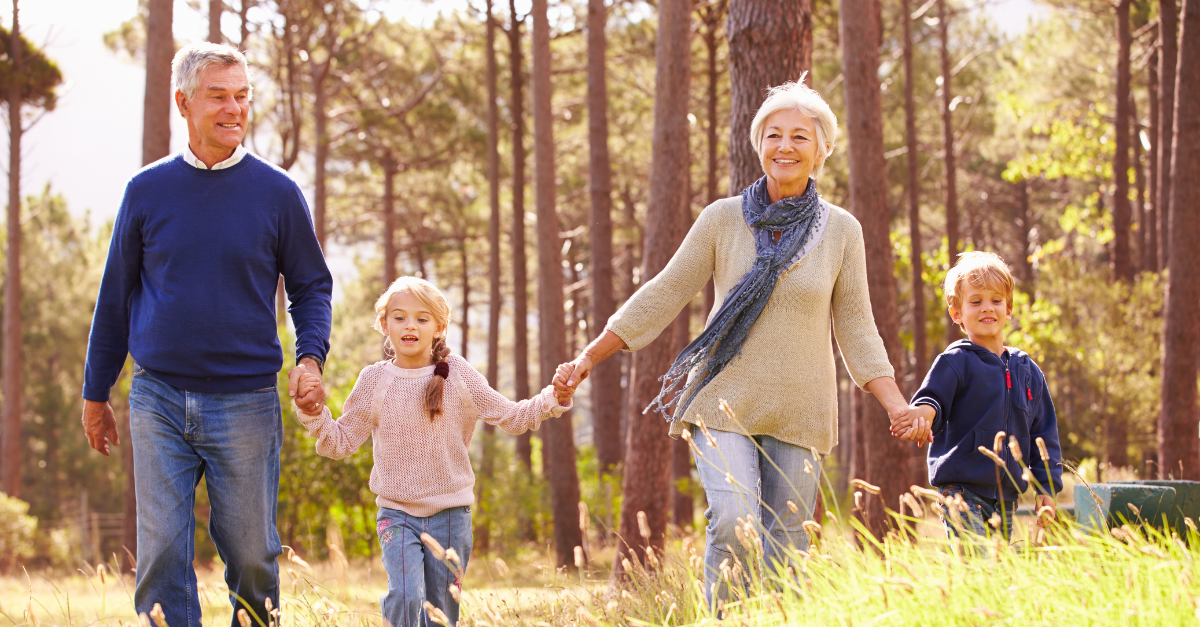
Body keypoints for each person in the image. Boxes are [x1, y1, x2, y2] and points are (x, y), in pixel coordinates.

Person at [561, 78, 919, 605]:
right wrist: (590, 356)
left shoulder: (842, 231)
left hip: (801, 409)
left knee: (788, 547)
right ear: (759, 145)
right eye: (774, 135)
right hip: (723, 400)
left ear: (822, 149)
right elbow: (664, 291)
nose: (785, 146)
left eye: (800, 136)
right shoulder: (723, 219)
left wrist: (895, 405)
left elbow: (858, 326)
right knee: (733, 520)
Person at [80, 43, 332, 627]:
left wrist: (311, 358)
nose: (233, 108)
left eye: (242, 96)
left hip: (245, 401)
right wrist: (96, 394)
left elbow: (311, 287)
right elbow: (114, 298)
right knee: (162, 553)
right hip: (158, 397)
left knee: (251, 556)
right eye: (218, 95)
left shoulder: (276, 193)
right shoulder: (145, 191)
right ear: (184, 103)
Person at [292, 277, 574, 627]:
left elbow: (512, 417)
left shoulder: (458, 376)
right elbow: (340, 442)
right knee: (406, 595)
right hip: (396, 514)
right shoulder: (374, 381)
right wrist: (314, 413)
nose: (410, 325)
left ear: (439, 328)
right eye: (399, 317)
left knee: (441, 612)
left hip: (452, 517)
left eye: (422, 319)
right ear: (385, 325)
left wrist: (554, 398)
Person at [903, 252, 1063, 539]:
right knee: (973, 563)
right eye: (976, 301)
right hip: (961, 491)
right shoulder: (956, 361)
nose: (987, 308)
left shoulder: (1028, 371)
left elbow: (1044, 436)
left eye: (996, 301)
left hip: (1006, 498)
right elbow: (932, 398)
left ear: (1009, 308)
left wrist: (1046, 490)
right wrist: (923, 417)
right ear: (957, 313)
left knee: (997, 575)